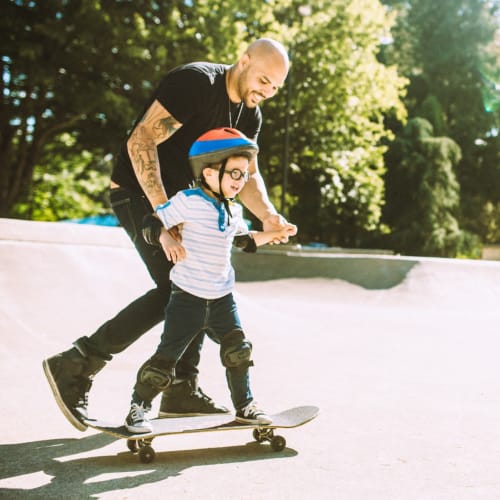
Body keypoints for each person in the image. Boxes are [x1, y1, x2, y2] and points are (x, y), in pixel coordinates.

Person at [43, 38, 297, 432]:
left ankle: (181, 390)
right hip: (139, 193)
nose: (265, 91)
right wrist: (164, 214)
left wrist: (267, 215)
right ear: (243, 61)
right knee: (178, 290)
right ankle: (77, 362)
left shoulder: (250, 115)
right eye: (263, 79)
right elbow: (140, 140)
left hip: (189, 207)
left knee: (198, 282)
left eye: (275, 87)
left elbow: (245, 174)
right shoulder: (196, 83)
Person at [126, 127, 295, 433]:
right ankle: (139, 408)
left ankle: (245, 405)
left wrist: (275, 233)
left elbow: (243, 240)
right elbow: (152, 222)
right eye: (234, 173)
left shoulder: (233, 209)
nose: (240, 181)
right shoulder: (188, 201)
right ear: (208, 173)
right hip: (187, 298)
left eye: (244, 175)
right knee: (167, 358)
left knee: (238, 350)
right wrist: (166, 238)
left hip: (222, 299)